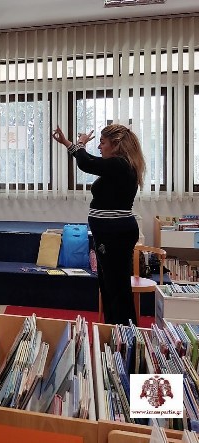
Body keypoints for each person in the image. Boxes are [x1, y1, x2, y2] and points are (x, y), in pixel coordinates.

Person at [52, 124, 145, 325]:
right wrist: (68, 143)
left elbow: (86, 162)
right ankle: (114, 331)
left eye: (103, 143)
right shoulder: (118, 166)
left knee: (116, 288)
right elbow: (89, 160)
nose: (99, 147)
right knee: (110, 286)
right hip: (111, 233)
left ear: (116, 144)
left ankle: (124, 334)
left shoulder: (120, 164)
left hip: (115, 234)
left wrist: (80, 142)